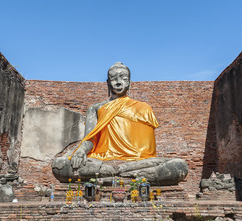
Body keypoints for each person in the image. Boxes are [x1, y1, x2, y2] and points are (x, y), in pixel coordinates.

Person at [52, 63, 188, 185]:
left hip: (137, 162)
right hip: (103, 161)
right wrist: (81, 151)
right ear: (107, 83)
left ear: (130, 82)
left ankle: (111, 175)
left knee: (179, 166)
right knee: (60, 165)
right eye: (113, 78)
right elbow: (90, 139)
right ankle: (130, 177)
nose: (118, 82)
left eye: (123, 78)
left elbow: (148, 151)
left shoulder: (143, 107)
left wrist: (129, 163)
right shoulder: (96, 108)